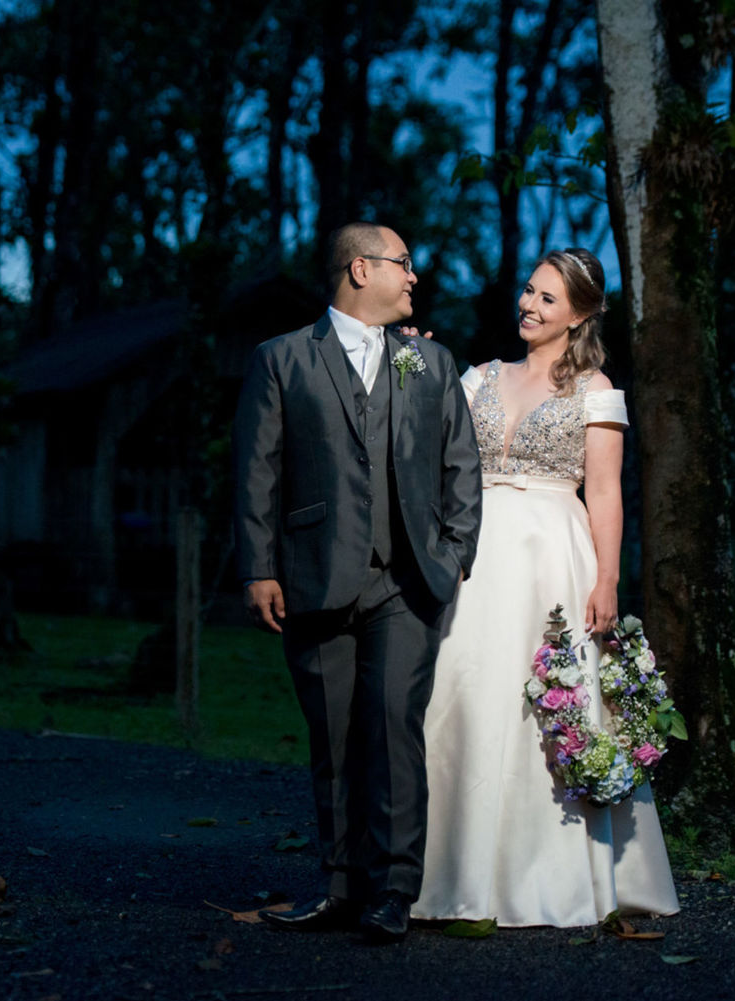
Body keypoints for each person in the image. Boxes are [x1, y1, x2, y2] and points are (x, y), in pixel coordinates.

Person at [411, 248, 680, 928]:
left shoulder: (596, 390)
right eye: (529, 290)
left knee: (547, 706)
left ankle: (548, 874)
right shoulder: (476, 378)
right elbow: (420, 438)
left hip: (553, 560)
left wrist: (609, 578)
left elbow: (607, 493)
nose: (529, 304)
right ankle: (447, 871)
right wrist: (411, 363)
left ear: (581, 314)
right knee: (464, 696)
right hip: (476, 559)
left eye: (549, 298)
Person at [233, 222, 483, 943]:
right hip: (312, 577)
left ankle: (393, 890)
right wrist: (258, 567)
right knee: (334, 736)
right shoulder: (280, 359)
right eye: (402, 264)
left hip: (407, 582)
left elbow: (458, 462)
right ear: (358, 269)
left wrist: (456, 551)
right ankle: (338, 885)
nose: (413, 277)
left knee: (392, 729)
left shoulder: (430, 362)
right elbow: (257, 473)